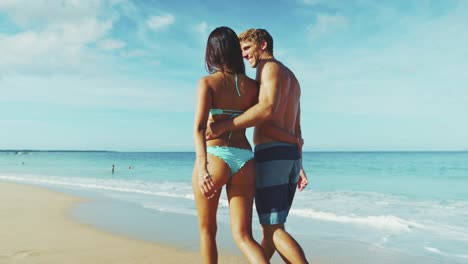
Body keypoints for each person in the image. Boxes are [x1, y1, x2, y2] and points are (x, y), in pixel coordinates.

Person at [206, 28, 309, 263]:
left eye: (246, 49)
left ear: (262, 45)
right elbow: (297, 127)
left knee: (274, 230)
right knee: (271, 228)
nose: (243, 55)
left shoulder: (268, 68)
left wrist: (225, 126)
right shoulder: (292, 77)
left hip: (272, 154)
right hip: (289, 155)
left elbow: (266, 109)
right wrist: (299, 162)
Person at [192, 26, 269, 264]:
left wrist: (203, 167)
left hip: (215, 156)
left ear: (212, 52)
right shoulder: (253, 87)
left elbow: (199, 128)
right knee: (245, 236)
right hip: (245, 159)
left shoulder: (207, 83)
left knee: (207, 232)